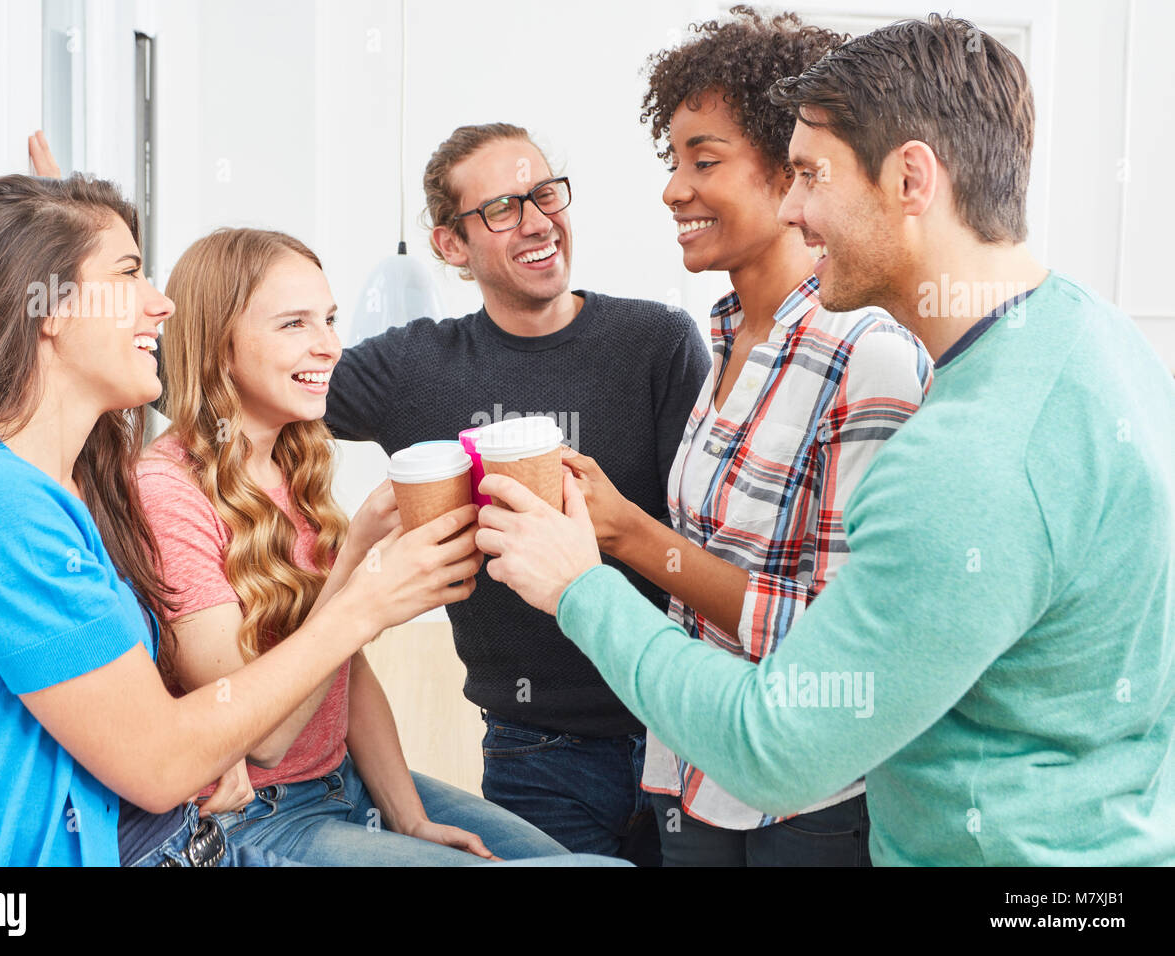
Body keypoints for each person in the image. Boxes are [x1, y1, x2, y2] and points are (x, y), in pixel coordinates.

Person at [475, 15, 1175, 865]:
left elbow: (780, 749)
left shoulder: (967, 458)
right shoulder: (1096, 337)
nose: (795, 207)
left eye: (810, 174)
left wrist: (581, 587)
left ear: (911, 178)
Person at [0, 172, 484, 866]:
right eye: (130, 273)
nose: (162, 305)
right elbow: (158, 760)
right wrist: (361, 602)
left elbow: (140, 727)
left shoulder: (46, 488)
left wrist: (203, 742)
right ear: (48, 306)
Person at [558, 6, 931, 866]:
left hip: (806, 803)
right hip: (689, 770)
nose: (673, 189)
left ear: (791, 176)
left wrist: (627, 536)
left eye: (705, 160)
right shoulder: (726, 339)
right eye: (673, 160)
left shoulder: (865, 355)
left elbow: (832, 637)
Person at [323, 123, 712, 864]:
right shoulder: (415, 368)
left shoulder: (657, 341)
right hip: (536, 752)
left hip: (680, 728)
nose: (537, 221)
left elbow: (706, 538)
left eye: (544, 193)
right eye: (502, 208)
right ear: (450, 245)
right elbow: (239, 370)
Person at [136, 226, 579, 864]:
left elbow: (345, 670)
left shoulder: (290, 464)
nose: (330, 346)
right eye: (295, 324)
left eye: (330, 319)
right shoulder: (165, 491)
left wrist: (409, 816)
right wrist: (358, 576)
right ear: (217, 345)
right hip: (257, 820)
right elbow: (262, 741)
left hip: (344, 785)